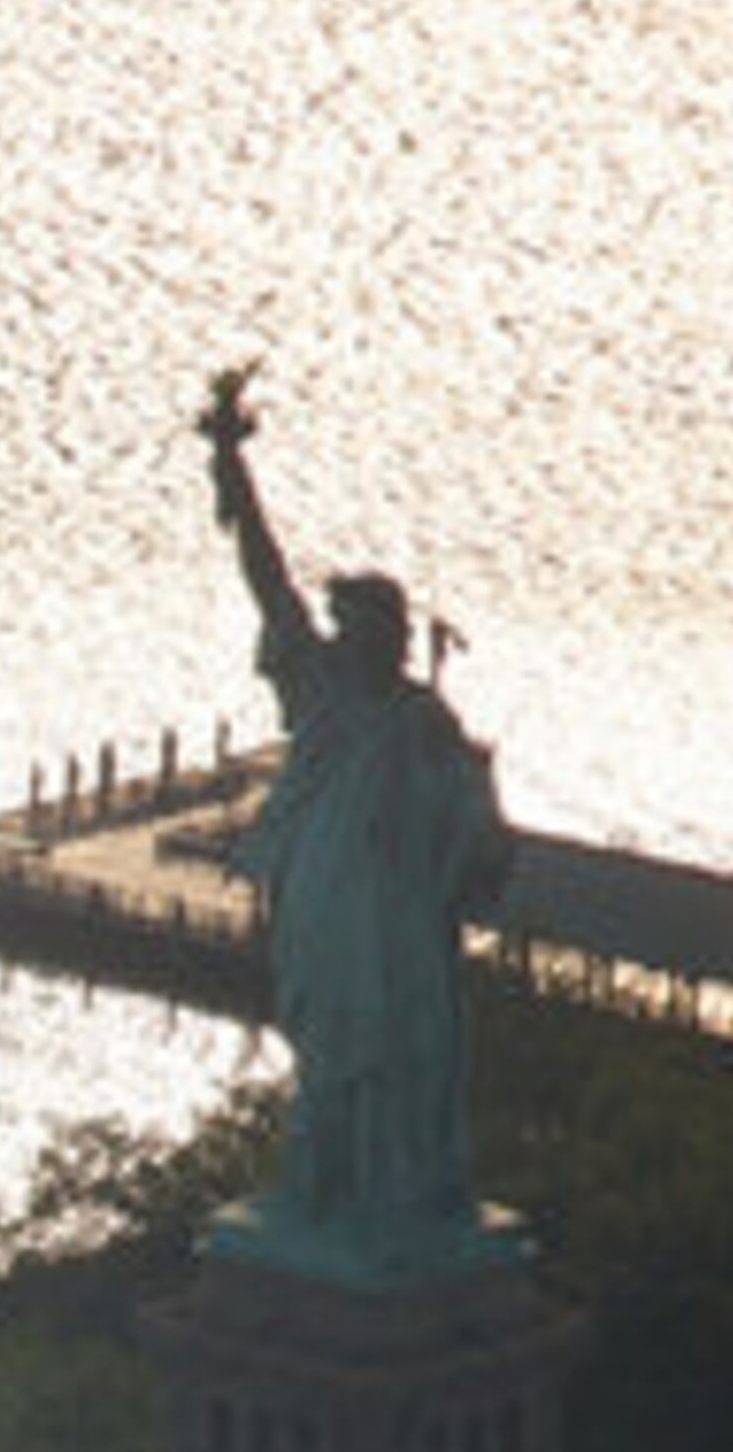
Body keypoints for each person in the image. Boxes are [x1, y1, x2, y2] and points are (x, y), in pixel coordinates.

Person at [198, 366, 513, 1264]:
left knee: (411, 1052)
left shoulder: (422, 722)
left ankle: (395, 1187)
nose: (350, 635)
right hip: (327, 913)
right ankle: (329, 1182)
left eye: (367, 625)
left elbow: (471, 822)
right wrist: (230, 465)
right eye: (343, 622)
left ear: (396, 635)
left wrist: (476, 845)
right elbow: (265, 576)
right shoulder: (323, 689)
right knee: (334, 1053)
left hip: (403, 921)